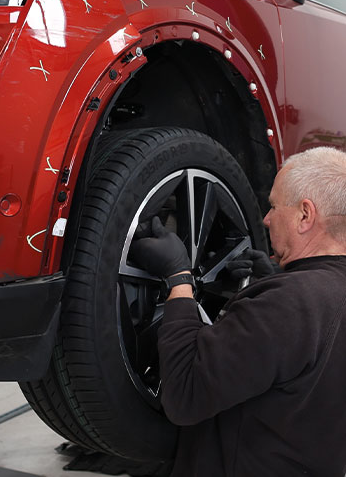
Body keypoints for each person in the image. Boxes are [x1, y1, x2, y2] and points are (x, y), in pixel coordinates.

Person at [130, 146, 346, 477]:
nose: (266, 218)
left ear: (305, 215)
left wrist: (178, 279)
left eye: (274, 206)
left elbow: (186, 394)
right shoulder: (309, 295)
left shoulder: (289, 303)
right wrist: (277, 282)